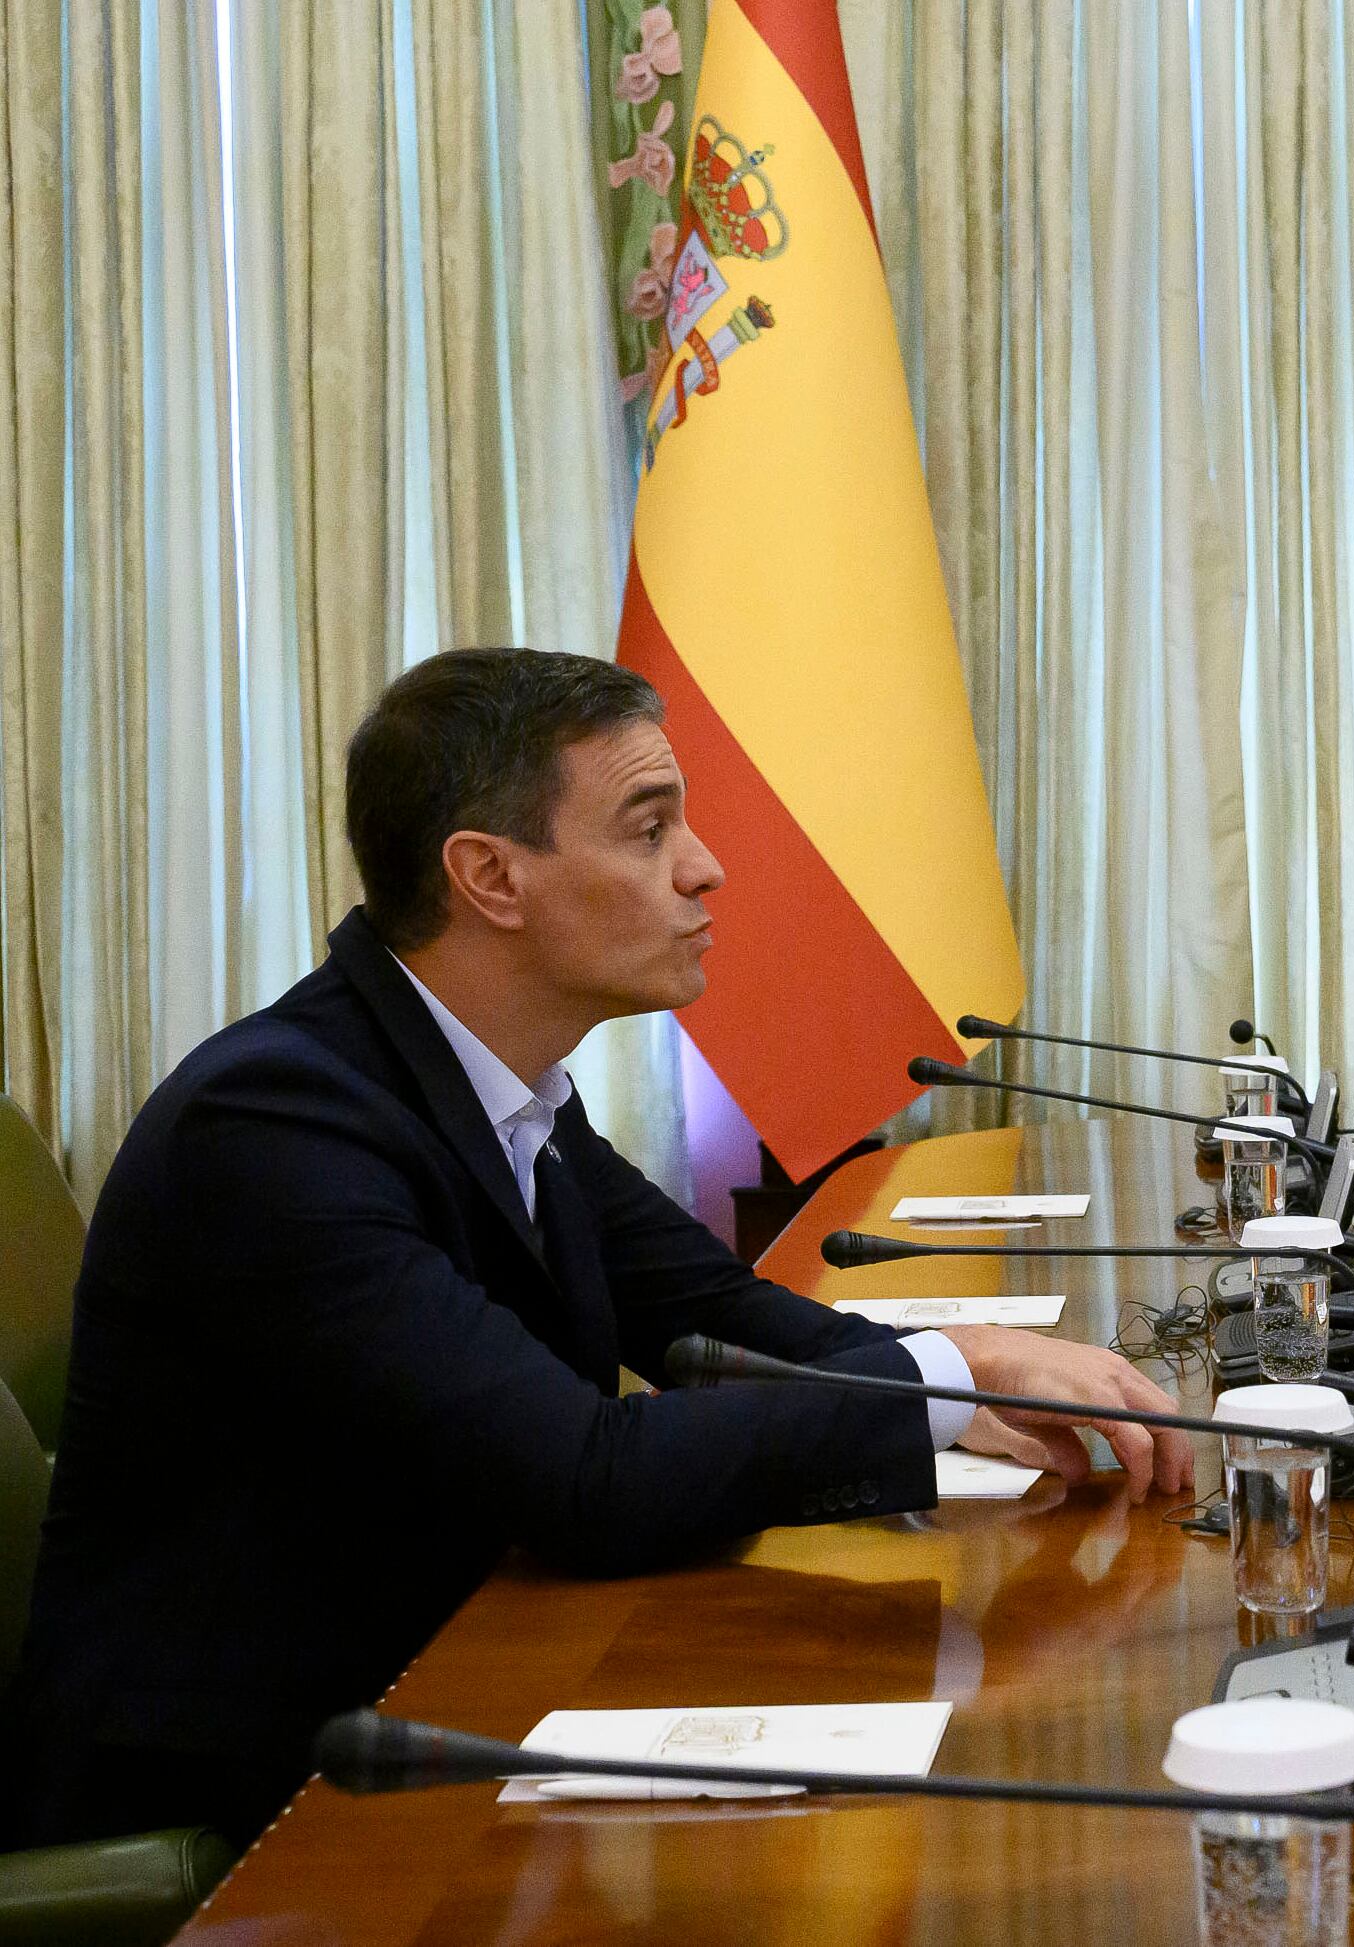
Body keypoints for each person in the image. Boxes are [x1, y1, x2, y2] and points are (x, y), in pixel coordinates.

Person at [2, 649, 1194, 1848]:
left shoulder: (504, 1090)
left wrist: (952, 1390)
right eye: (647, 826)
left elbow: (720, 1314)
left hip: (449, 1685)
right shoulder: (276, 1124)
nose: (704, 865)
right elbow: (584, 1476)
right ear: (490, 877)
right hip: (257, 1794)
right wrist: (954, 1374)